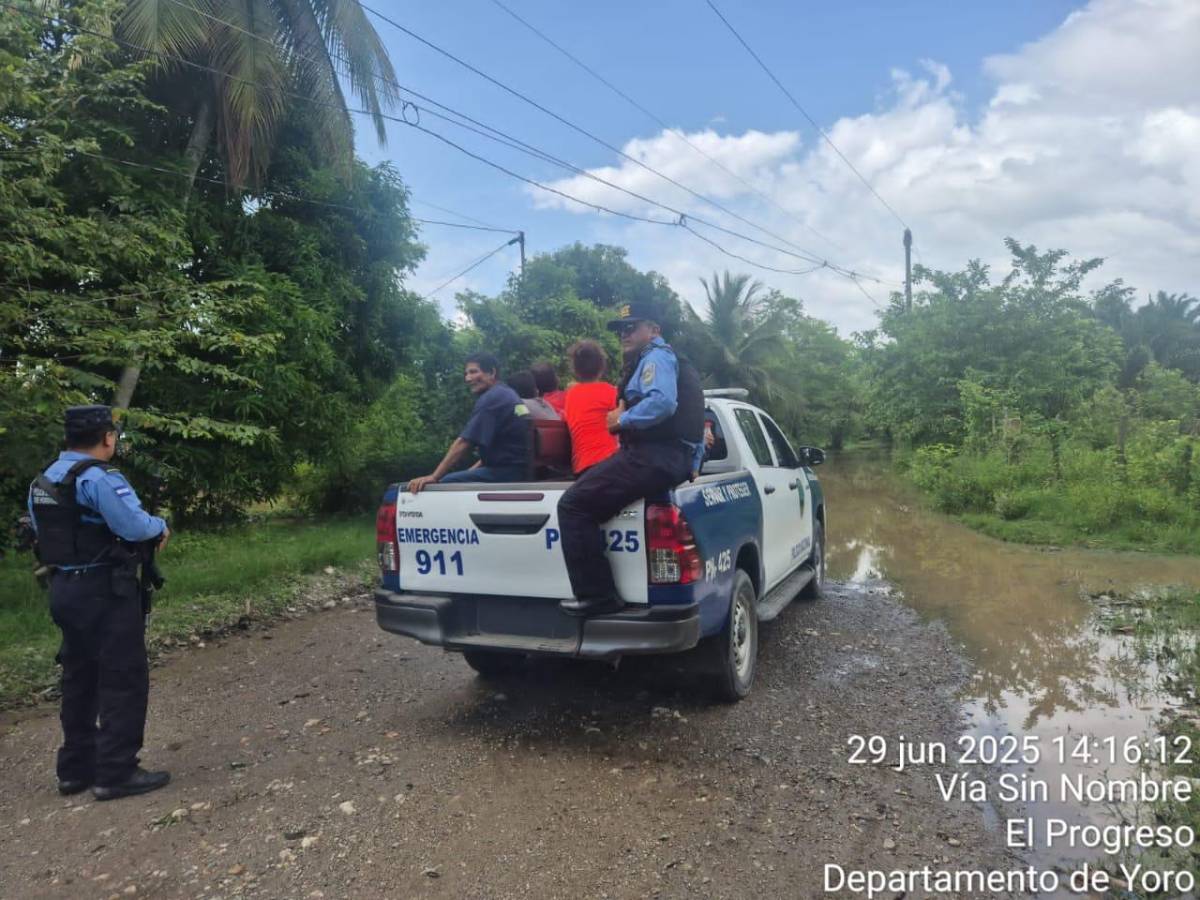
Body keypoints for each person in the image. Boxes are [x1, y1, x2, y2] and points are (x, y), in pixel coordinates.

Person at [27, 405, 171, 800]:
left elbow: (42, 531)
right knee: (122, 677)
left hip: (64, 589)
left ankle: (75, 769)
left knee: (79, 677)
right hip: (104, 590)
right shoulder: (99, 478)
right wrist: (161, 525)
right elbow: (134, 526)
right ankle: (116, 772)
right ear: (107, 437)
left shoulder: (44, 479)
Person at [556, 303, 705, 615]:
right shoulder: (667, 359)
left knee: (573, 505)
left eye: (631, 327)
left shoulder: (655, 358)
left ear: (653, 330)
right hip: (663, 458)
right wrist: (693, 463)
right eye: (621, 329)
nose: (624, 334)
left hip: (653, 457)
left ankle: (598, 596)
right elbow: (693, 421)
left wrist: (621, 421)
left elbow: (663, 403)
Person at [408, 352, 532, 492]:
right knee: (458, 477)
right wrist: (471, 471)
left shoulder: (492, 398)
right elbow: (502, 448)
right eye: (466, 373)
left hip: (507, 472)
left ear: (492, 372)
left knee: (443, 484)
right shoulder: (507, 393)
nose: (467, 378)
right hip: (517, 468)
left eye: (473, 372)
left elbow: (464, 442)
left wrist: (434, 476)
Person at [562, 339, 619, 475]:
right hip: (610, 463)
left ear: (575, 369)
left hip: (582, 467)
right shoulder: (611, 392)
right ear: (601, 367)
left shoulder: (570, 395)